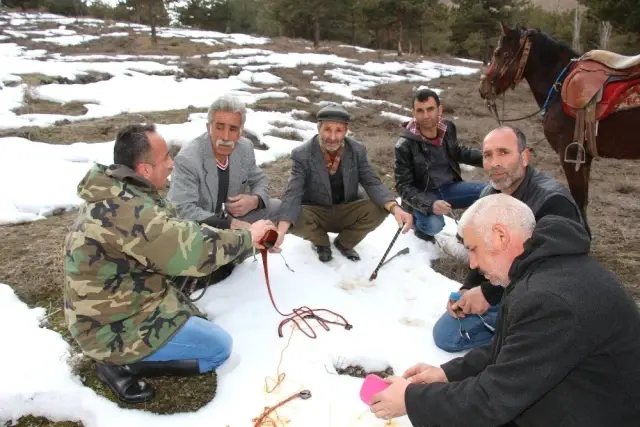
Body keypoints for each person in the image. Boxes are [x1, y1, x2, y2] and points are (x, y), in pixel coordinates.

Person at [369, 194, 640, 427]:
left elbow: (493, 399)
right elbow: (513, 348)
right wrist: (448, 374)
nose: (473, 264)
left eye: (474, 250)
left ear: (500, 236)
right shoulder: (545, 267)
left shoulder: (550, 298)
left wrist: (410, 400)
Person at [63, 124, 277, 404]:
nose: (172, 163)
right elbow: (190, 250)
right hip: (107, 327)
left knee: (189, 305)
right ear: (144, 170)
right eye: (165, 158)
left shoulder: (120, 192)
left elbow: (172, 233)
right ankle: (118, 364)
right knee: (218, 348)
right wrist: (247, 237)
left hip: (119, 303)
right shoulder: (130, 210)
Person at [432, 125, 586, 352]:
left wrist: (488, 294)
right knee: (446, 329)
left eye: (503, 152)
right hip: (505, 285)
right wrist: (468, 288)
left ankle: (531, 341)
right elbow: (481, 250)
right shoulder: (489, 194)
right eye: (487, 155)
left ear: (524, 157)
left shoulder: (552, 202)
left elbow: (550, 272)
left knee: (448, 336)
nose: (494, 163)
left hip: (547, 297)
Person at [272, 104, 412, 262]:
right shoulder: (302, 154)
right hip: (316, 213)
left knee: (379, 208)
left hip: (347, 209)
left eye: (338, 130)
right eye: (327, 129)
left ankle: (345, 243)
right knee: (292, 216)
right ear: (319, 129)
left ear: (346, 130)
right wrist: (281, 231)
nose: (332, 137)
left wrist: (396, 208)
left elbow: (371, 182)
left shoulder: (357, 150)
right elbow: (293, 191)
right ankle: (321, 242)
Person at [168, 93, 280, 228]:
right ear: (209, 128)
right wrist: (231, 225)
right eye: (220, 127)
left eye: (233, 129)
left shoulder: (245, 148)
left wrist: (254, 201)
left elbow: (260, 180)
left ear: (240, 131)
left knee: (278, 207)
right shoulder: (188, 159)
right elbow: (183, 209)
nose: (226, 137)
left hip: (232, 216)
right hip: (201, 224)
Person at [394, 88, 485, 243]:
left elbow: (457, 151)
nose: (426, 115)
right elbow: (403, 187)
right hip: (422, 195)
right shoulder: (404, 145)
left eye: (430, 109)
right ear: (414, 113)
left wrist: (489, 158)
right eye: (420, 111)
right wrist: (429, 204)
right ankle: (418, 227)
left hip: (449, 188)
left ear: (440, 109)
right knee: (433, 225)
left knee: (489, 191)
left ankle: (479, 236)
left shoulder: (447, 128)